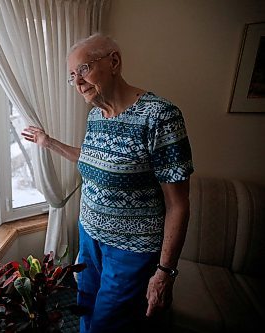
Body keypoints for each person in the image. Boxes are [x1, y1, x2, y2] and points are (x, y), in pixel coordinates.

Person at [21, 33, 194, 333]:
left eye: (84, 69)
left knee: (107, 324)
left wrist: (165, 272)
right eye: (72, 76)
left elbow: (178, 204)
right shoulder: (95, 117)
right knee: (85, 310)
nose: (77, 82)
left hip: (132, 251)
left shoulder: (160, 117)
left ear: (114, 62)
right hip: (89, 238)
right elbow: (92, 159)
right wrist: (48, 142)